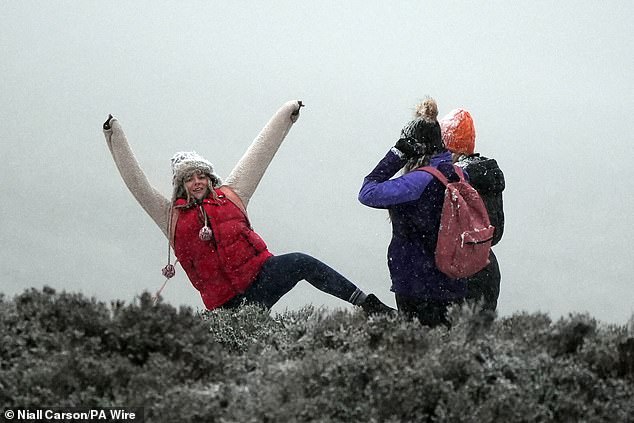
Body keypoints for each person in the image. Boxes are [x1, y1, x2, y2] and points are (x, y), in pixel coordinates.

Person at [102, 100, 392, 315]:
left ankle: (367, 303)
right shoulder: (171, 217)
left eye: (201, 175)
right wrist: (114, 135)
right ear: (181, 185)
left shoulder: (232, 194)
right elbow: (137, 184)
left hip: (260, 278)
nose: (197, 182)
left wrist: (287, 114)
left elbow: (260, 153)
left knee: (301, 261)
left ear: (209, 177)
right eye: (190, 179)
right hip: (224, 304)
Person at [358, 98, 466, 327]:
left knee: (419, 352)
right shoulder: (458, 174)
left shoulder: (416, 183)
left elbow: (367, 192)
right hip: (453, 280)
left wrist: (396, 155)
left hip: (417, 285)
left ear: (413, 147)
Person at [440, 108, 505, 317]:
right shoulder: (489, 177)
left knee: (452, 343)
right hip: (487, 269)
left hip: (460, 273)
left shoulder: (452, 181)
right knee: (477, 342)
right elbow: (496, 233)